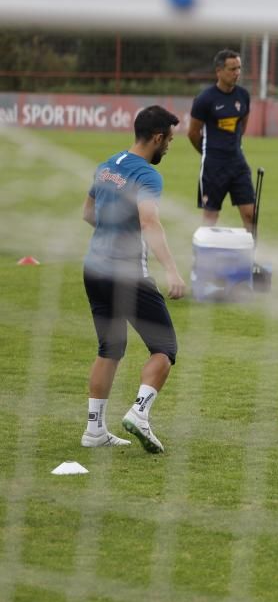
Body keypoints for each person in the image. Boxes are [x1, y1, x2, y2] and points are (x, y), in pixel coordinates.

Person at [80, 105, 186, 454]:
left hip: (94, 269)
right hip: (127, 275)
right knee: (165, 348)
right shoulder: (148, 176)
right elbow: (149, 222)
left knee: (109, 347)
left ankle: (94, 430)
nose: (169, 147)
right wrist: (171, 269)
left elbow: (87, 213)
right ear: (157, 138)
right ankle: (139, 413)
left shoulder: (108, 165)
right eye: (169, 140)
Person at [187, 49, 255, 233]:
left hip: (238, 164)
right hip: (213, 166)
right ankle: (203, 257)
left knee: (250, 214)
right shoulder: (204, 99)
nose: (237, 73)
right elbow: (193, 133)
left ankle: (251, 257)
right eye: (232, 69)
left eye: (239, 68)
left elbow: (242, 127)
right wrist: (208, 152)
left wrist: (234, 147)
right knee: (211, 217)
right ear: (219, 71)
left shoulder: (243, 96)